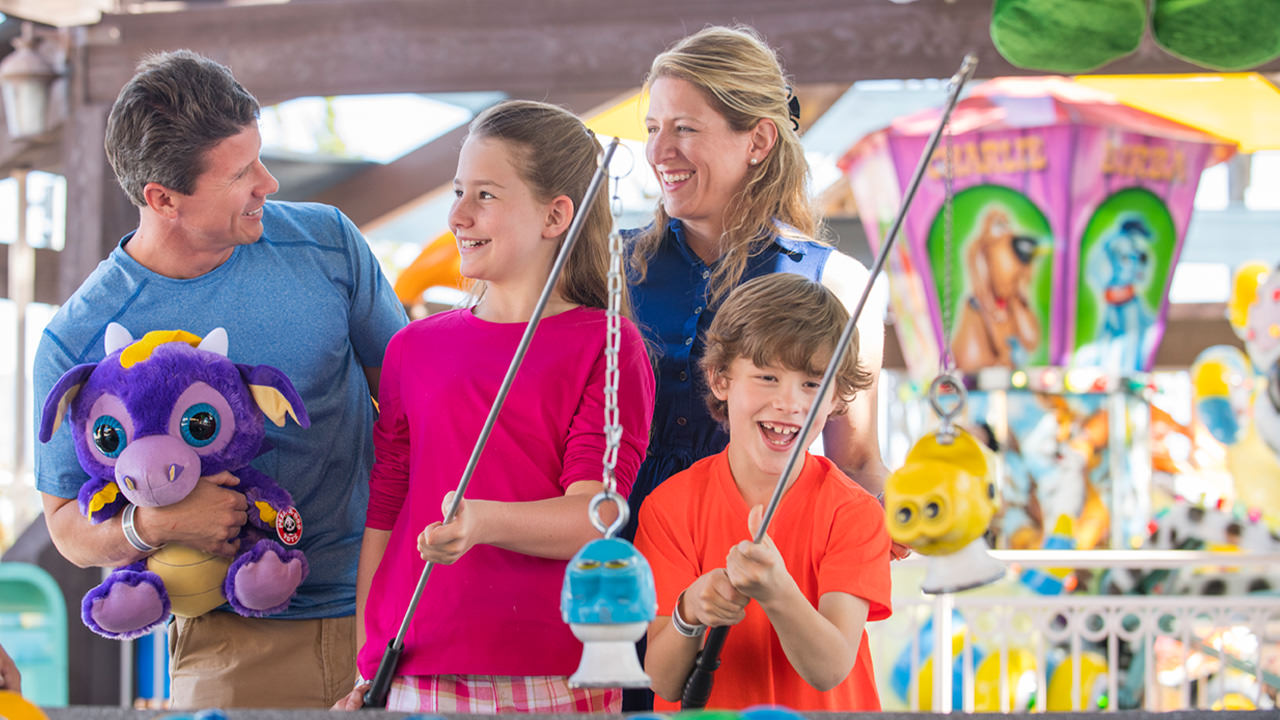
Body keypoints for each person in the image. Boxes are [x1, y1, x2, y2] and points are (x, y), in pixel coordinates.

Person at [33, 50, 407, 709]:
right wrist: (150, 528)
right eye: (240, 173)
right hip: (226, 635)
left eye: (259, 157)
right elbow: (66, 525)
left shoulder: (327, 244)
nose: (269, 183)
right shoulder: (81, 335)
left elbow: (409, 407)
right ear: (162, 198)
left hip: (385, 613)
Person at [333, 100, 656, 714]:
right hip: (410, 669)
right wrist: (368, 660)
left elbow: (596, 517)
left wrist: (484, 523)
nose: (457, 214)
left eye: (484, 194)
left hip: (556, 670)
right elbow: (387, 507)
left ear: (555, 214)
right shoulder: (411, 348)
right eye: (458, 191)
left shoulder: (608, 345)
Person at [625, 25, 894, 540]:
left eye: (683, 128)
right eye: (653, 127)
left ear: (759, 140)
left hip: (763, 558)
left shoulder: (836, 281)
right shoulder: (609, 265)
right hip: (618, 570)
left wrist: (915, 515)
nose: (658, 151)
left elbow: (855, 461)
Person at [635, 273, 891, 710]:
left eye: (812, 384)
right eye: (767, 377)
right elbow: (663, 680)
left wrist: (777, 590)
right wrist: (689, 612)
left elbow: (829, 668)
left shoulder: (854, 513)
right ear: (720, 380)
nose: (790, 403)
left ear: (835, 399)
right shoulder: (669, 507)